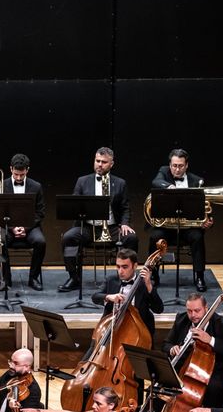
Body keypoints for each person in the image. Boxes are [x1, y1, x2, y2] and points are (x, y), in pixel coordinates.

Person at [59, 147, 138, 292]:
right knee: (68, 238)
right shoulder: (82, 181)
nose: (100, 164)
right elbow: (74, 205)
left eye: (104, 162)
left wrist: (125, 224)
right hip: (88, 227)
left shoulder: (120, 183)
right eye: (97, 161)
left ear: (111, 164)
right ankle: (74, 278)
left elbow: (125, 207)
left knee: (131, 237)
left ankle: (125, 278)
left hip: (112, 227)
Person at [163, 292, 223, 412]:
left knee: (213, 388)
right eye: (189, 311)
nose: (193, 315)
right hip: (186, 368)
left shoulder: (222, 323)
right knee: (161, 385)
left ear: (206, 308)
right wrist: (172, 348)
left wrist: (210, 340)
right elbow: (166, 344)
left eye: (197, 310)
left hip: (215, 369)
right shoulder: (181, 319)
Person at [147, 149, 211, 292]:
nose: (177, 169)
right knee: (155, 237)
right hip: (166, 228)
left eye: (181, 166)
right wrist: (170, 187)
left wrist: (207, 222)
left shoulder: (197, 180)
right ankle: (153, 274)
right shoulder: (163, 172)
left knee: (198, 236)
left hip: (187, 229)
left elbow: (205, 206)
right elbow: (156, 181)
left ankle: (199, 276)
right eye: (174, 165)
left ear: (186, 165)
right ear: (170, 165)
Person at [94, 248, 165, 345]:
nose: (120, 271)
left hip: (138, 332)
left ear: (135, 266)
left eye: (125, 267)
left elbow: (159, 309)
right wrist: (109, 297)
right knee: (92, 350)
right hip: (112, 329)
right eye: (118, 266)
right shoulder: (111, 280)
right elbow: (95, 297)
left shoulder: (145, 283)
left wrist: (149, 285)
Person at [0, 153, 47, 291]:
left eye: (22, 174)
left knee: (40, 242)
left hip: (30, 226)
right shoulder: (1, 185)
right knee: (0, 241)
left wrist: (25, 228)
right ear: (10, 169)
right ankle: (6, 279)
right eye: (16, 174)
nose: (19, 178)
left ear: (27, 170)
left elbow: (40, 212)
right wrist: (13, 228)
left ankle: (33, 278)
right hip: (8, 226)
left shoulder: (36, 186)